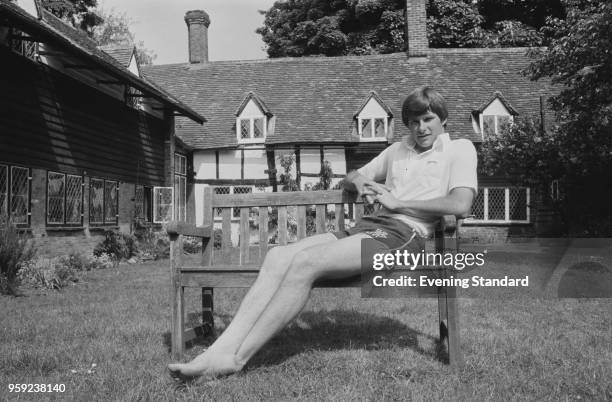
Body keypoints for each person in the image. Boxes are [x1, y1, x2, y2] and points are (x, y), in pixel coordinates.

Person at [168, 86, 478, 379]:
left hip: (406, 235)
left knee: (305, 264)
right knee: (279, 256)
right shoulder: (398, 150)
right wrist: (359, 182)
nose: (421, 128)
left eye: (428, 120)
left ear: (443, 119)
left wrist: (399, 202)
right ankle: (219, 350)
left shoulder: (459, 149)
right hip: (370, 227)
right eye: (414, 122)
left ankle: (236, 359)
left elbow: (460, 203)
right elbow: (354, 175)